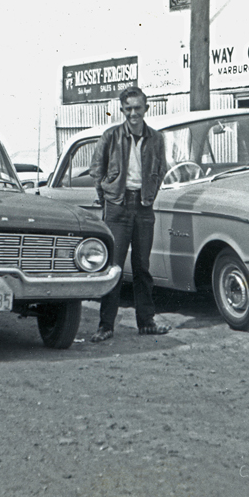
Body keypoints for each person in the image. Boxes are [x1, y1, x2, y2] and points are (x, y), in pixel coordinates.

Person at [89, 86, 171, 342]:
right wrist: (109, 198)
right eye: (128, 108)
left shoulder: (156, 138)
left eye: (137, 108)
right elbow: (97, 171)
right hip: (117, 207)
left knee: (142, 267)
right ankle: (106, 326)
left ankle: (146, 322)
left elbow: (161, 170)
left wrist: (149, 194)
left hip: (144, 207)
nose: (133, 113)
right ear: (122, 110)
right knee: (112, 267)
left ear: (146, 108)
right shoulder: (111, 136)